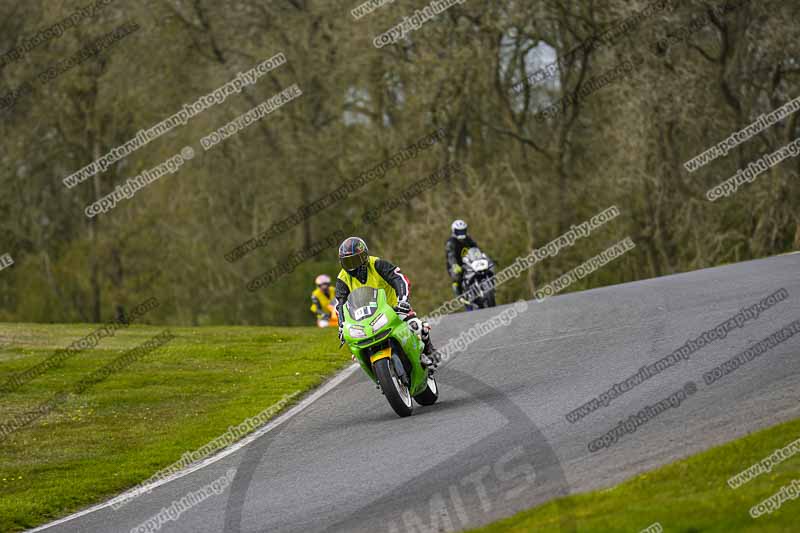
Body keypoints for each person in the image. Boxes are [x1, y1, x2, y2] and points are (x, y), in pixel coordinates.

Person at [334, 237, 440, 367]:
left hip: (394, 309)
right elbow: (340, 304)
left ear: (365, 256)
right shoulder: (342, 279)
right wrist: (341, 326)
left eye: (356, 260)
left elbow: (399, 279)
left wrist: (403, 300)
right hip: (364, 319)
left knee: (416, 325)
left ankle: (428, 350)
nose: (353, 266)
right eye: (347, 262)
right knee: (356, 349)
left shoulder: (377, 264)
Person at [445, 219, 479, 304]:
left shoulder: (468, 239)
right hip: (455, 264)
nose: (461, 234)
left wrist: (481, 257)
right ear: (454, 231)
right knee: (457, 276)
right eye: (459, 232)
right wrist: (454, 265)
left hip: (469, 261)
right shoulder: (451, 242)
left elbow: (476, 249)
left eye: (463, 231)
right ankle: (460, 295)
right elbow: (450, 255)